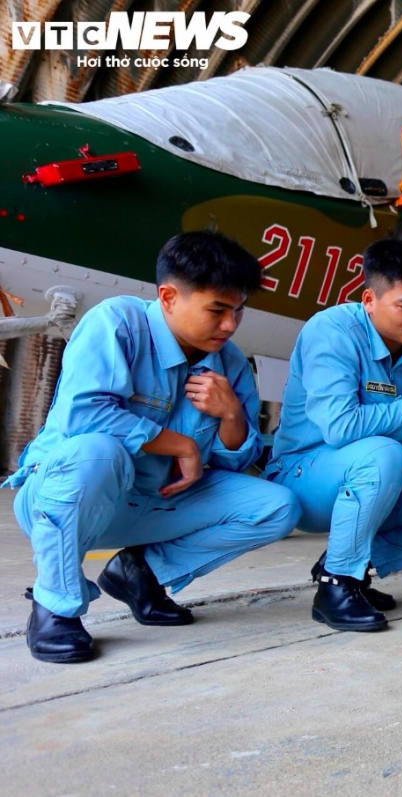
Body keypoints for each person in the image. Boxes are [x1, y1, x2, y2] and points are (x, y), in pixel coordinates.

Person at [5, 231, 302, 664]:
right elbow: (85, 415)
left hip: (155, 504)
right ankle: (56, 604)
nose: (229, 325)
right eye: (217, 310)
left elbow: (234, 463)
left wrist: (233, 415)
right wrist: (181, 444)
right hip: (72, 500)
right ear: (168, 296)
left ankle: (141, 573)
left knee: (278, 506)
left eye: (238, 311)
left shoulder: (230, 361)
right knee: (97, 452)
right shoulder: (118, 322)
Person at [264, 237, 402, 633]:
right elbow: (340, 427)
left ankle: (347, 561)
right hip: (307, 477)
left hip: (382, 475)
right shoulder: (332, 332)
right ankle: (337, 586)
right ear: (369, 300)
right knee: (384, 452)